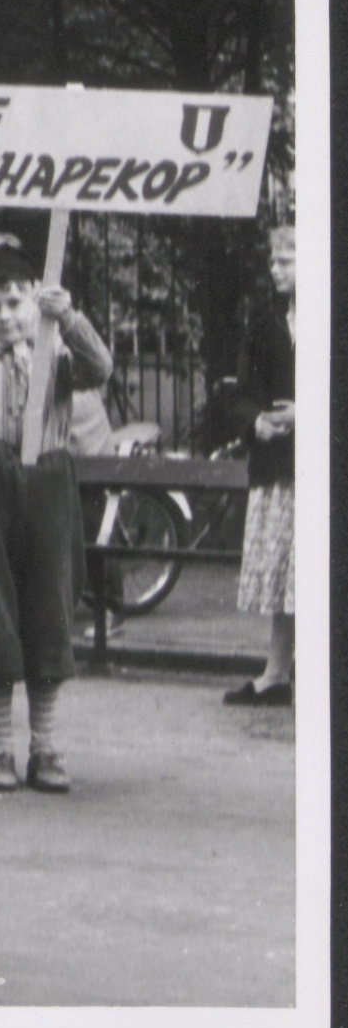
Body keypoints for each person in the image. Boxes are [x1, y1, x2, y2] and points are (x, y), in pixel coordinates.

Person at [0, 243, 114, 793]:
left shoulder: (55, 352)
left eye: (15, 303)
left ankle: (45, 746)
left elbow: (100, 368)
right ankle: (0, 748)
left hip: (47, 485)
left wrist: (69, 317)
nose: (5, 316)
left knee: (47, 611)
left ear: (33, 299)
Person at [223, 223, 295, 708]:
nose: (275, 268)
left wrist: (309, 412)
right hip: (279, 467)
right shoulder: (266, 323)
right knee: (287, 572)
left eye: (286, 260)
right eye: (272, 260)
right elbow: (243, 391)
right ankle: (276, 673)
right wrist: (256, 422)